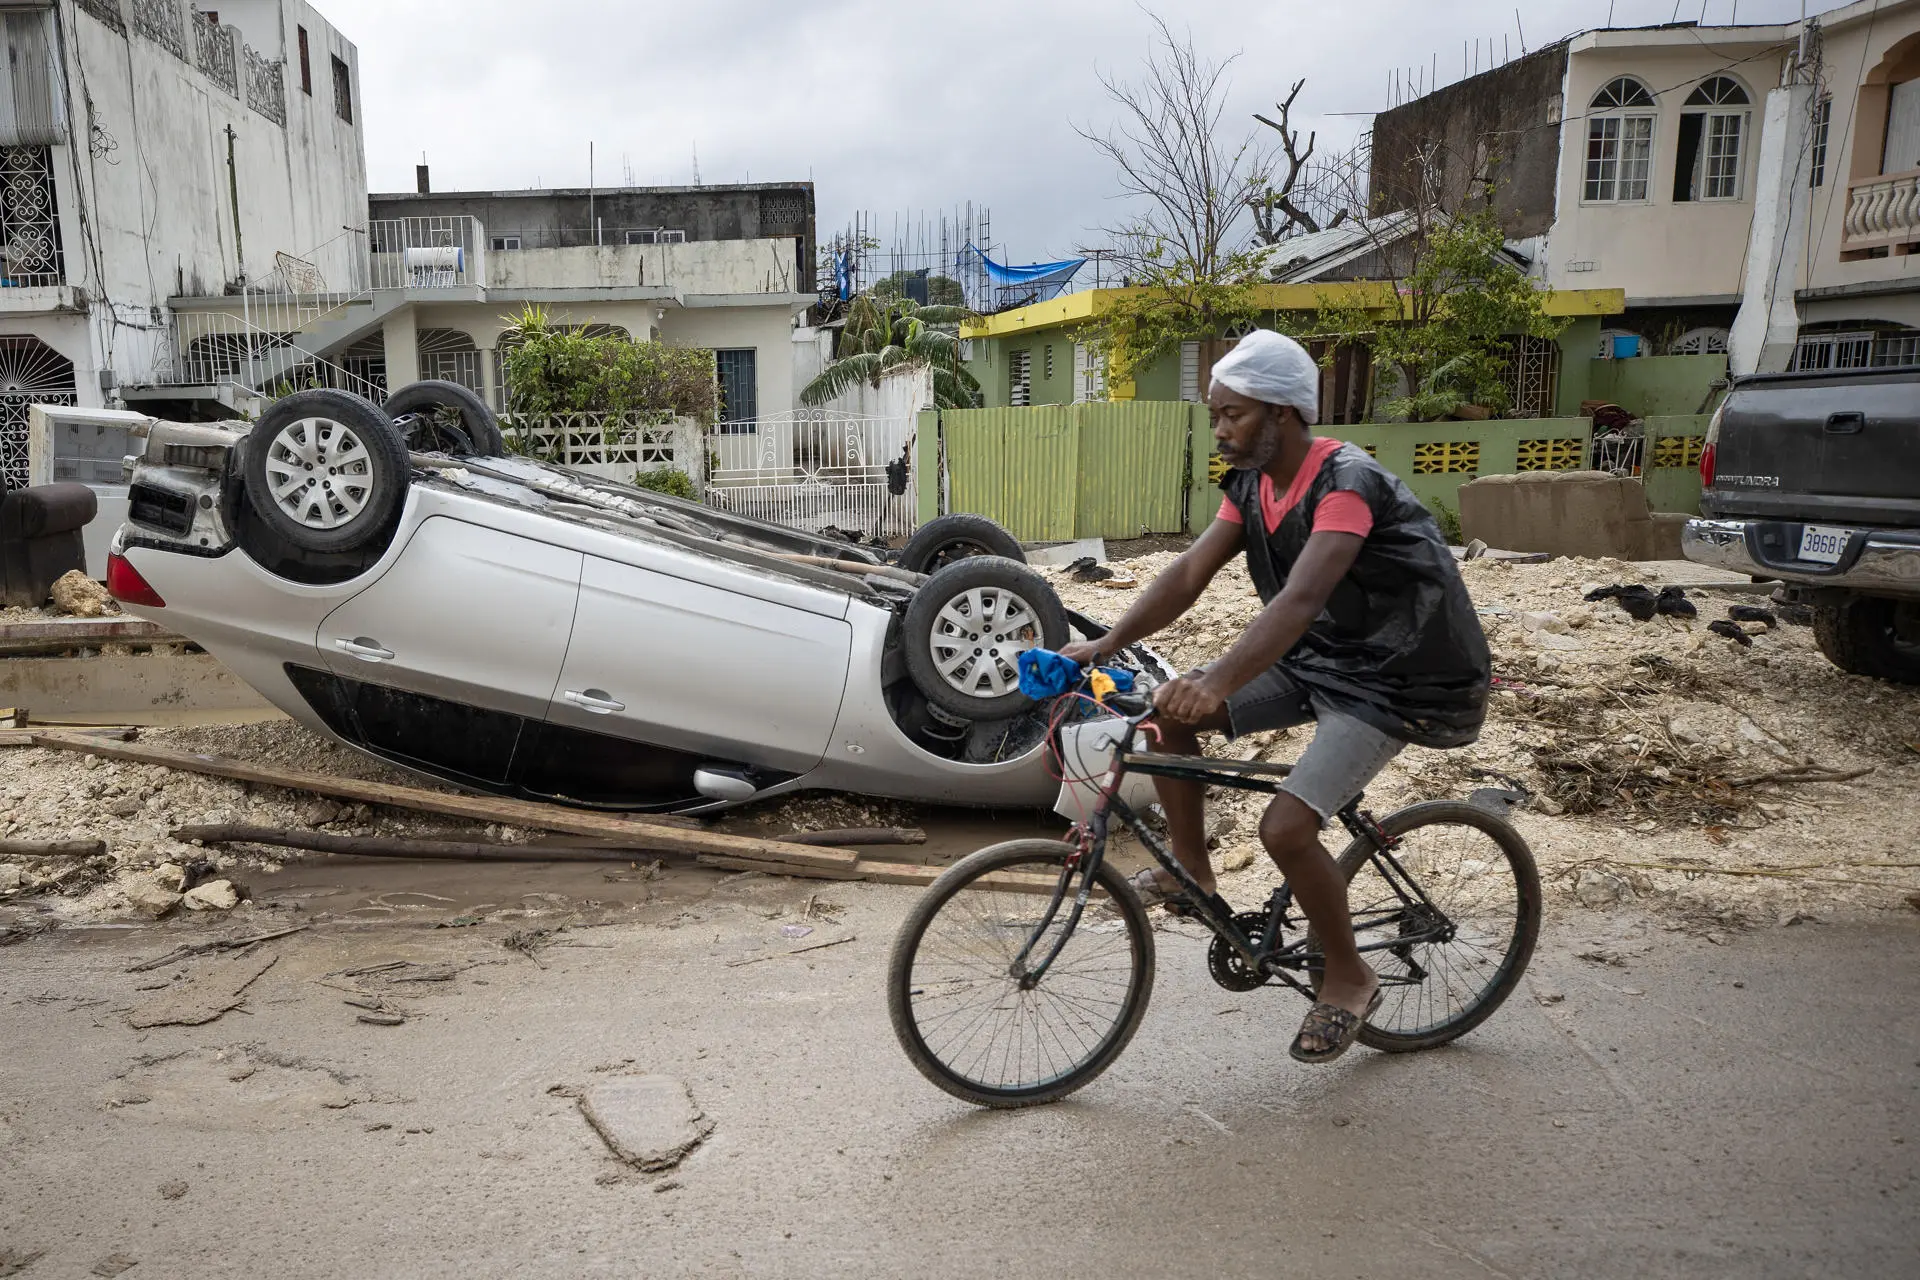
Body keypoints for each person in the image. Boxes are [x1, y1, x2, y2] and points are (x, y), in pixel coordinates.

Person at [1058, 330, 1490, 1064]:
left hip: (1396, 677)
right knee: (1164, 713)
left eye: (1234, 414)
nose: (1220, 429)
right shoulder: (1253, 486)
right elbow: (1188, 573)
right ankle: (1193, 867)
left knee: (1286, 830)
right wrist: (1104, 642)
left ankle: (1349, 978)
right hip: (1323, 658)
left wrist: (1218, 679)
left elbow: (1300, 598)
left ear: (1283, 414)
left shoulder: (1347, 484)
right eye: (1216, 414)